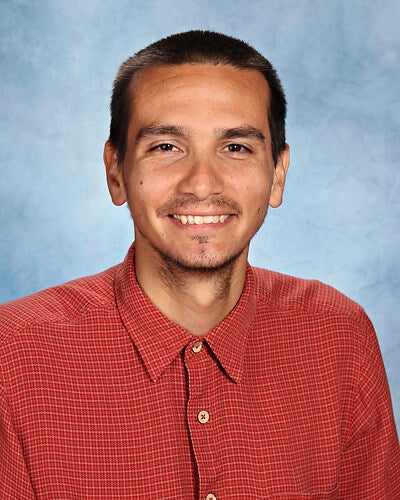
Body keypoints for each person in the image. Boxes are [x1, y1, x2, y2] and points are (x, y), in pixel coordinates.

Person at [0, 30, 399, 499]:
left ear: (277, 174)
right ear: (116, 171)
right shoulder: (14, 356)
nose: (202, 183)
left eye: (236, 147)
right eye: (166, 147)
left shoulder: (339, 335)